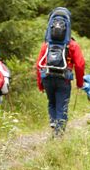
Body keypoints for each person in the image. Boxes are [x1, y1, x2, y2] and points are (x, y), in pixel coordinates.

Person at [35, 7, 85, 137]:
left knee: (52, 102)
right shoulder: (72, 45)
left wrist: (40, 84)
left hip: (47, 77)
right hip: (64, 78)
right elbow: (80, 64)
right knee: (62, 104)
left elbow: (38, 65)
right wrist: (80, 83)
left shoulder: (46, 44)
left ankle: (53, 124)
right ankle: (59, 133)